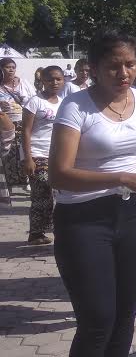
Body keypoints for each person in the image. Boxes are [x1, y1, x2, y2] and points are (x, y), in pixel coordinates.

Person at [48, 31, 136, 357]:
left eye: (130, 65)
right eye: (113, 67)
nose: (123, 74)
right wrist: (123, 177)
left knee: (124, 318)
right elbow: (58, 175)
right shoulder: (76, 105)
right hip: (83, 220)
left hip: (132, 215)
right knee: (97, 320)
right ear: (93, 68)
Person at [21, 66, 65, 245]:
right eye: (50, 79)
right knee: (42, 192)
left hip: (57, 154)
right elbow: (26, 131)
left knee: (59, 193)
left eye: (58, 79)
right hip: (38, 154)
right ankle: (36, 233)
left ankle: (55, 229)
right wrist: (27, 157)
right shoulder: (35, 102)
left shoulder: (64, 102)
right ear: (42, 81)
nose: (54, 83)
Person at [0, 57, 37, 197]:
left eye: (13, 67)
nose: (11, 70)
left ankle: (27, 181)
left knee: (24, 151)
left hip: (24, 122)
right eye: (7, 67)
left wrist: (23, 101)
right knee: (8, 154)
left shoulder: (24, 83)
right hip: (4, 125)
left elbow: (34, 99)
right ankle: (8, 183)